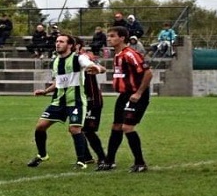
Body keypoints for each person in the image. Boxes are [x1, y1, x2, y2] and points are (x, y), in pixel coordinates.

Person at [26, 34, 105, 169]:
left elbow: (92, 65)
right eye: (57, 41)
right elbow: (59, 81)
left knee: (75, 129)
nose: (57, 44)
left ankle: (82, 161)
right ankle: (42, 155)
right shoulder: (56, 61)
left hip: (76, 101)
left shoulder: (78, 58)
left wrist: (97, 68)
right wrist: (45, 91)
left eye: (61, 41)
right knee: (40, 126)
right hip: (58, 102)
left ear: (70, 45)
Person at [97, 26, 153, 173]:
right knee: (116, 126)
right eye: (108, 36)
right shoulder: (117, 55)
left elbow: (148, 73)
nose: (109, 38)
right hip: (124, 95)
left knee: (127, 127)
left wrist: (139, 93)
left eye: (112, 36)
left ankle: (140, 163)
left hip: (135, 95)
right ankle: (109, 161)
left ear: (122, 38)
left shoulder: (130, 54)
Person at [75, 36, 107, 165]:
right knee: (76, 128)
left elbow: (101, 68)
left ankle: (102, 157)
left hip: (92, 99)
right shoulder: (67, 60)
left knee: (88, 130)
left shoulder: (85, 58)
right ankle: (87, 157)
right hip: (77, 100)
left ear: (78, 46)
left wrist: (97, 68)